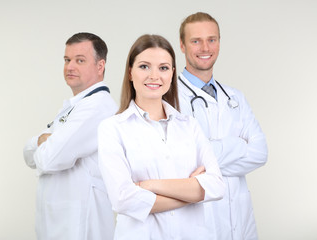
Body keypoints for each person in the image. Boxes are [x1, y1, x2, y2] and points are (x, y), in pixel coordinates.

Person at [97, 34, 225, 240]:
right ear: (130, 72)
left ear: (172, 73)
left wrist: (149, 186)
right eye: (144, 66)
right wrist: (191, 192)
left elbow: (217, 186)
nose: (154, 76)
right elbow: (124, 200)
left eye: (163, 68)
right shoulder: (112, 128)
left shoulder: (190, 126)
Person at [177, 12, 268, 240]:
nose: (205, 47)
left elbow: (260, 152)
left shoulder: (235, 97)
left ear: (219, 42)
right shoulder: (170, 98)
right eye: (195, 41)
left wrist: (207, 163)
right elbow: (183, 160)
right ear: (182, 45)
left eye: (212, 39)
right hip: (197, 221)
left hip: (240, 218)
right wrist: (238, 145)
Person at [23, 32, 117, 240]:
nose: (70, 67)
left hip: (80, 223)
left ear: (100, 66)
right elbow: (28, 154)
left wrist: (47, 141)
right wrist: (41, 141)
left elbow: (48, 159)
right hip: (59, 221)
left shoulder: (98, 106)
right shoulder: (73, 107)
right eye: (67, 60)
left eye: (79, 60)